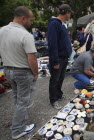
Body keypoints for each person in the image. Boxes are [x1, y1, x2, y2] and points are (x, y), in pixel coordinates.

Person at [0, 6, 38, 139]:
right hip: (22, 72)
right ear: (23, 18)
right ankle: (17, 130)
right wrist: (36, 73)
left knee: (17, 98)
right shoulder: (25, 35)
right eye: (31, 20)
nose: (31, 22)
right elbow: (31, 58)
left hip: (7, 70)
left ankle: (17, 123)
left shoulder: (1, 30)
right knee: (24, 102)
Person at [47, 4, 72, 109]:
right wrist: (55, 61)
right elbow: (53, 44)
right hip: (58, 58)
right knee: (54, 80)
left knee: (61, 78)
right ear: (67, 13)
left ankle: (59, 95)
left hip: (64, 57)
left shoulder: (62, 24)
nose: (70, 15)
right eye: (70, 13)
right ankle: (53, 100)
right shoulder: (54, 24)